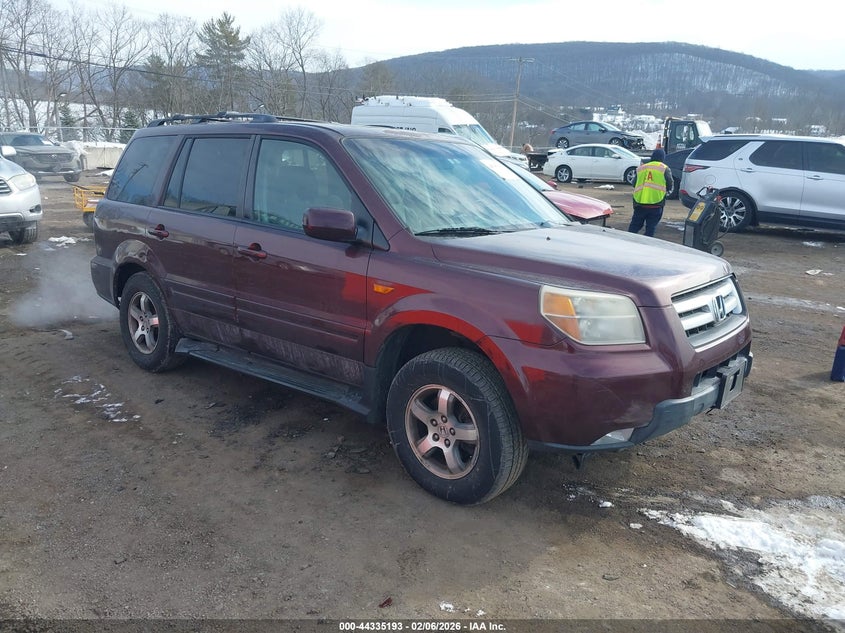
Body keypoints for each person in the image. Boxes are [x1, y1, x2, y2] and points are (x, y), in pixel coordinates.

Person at [628, 148, 673, 237]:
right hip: (656, 203)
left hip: (640, 202)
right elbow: (669, 184)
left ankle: (627, 242)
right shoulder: (664, 169)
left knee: (634, 227)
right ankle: (647, 246)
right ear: (663, 158)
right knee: (651, 228)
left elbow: (634, 184)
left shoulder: (641, 168)